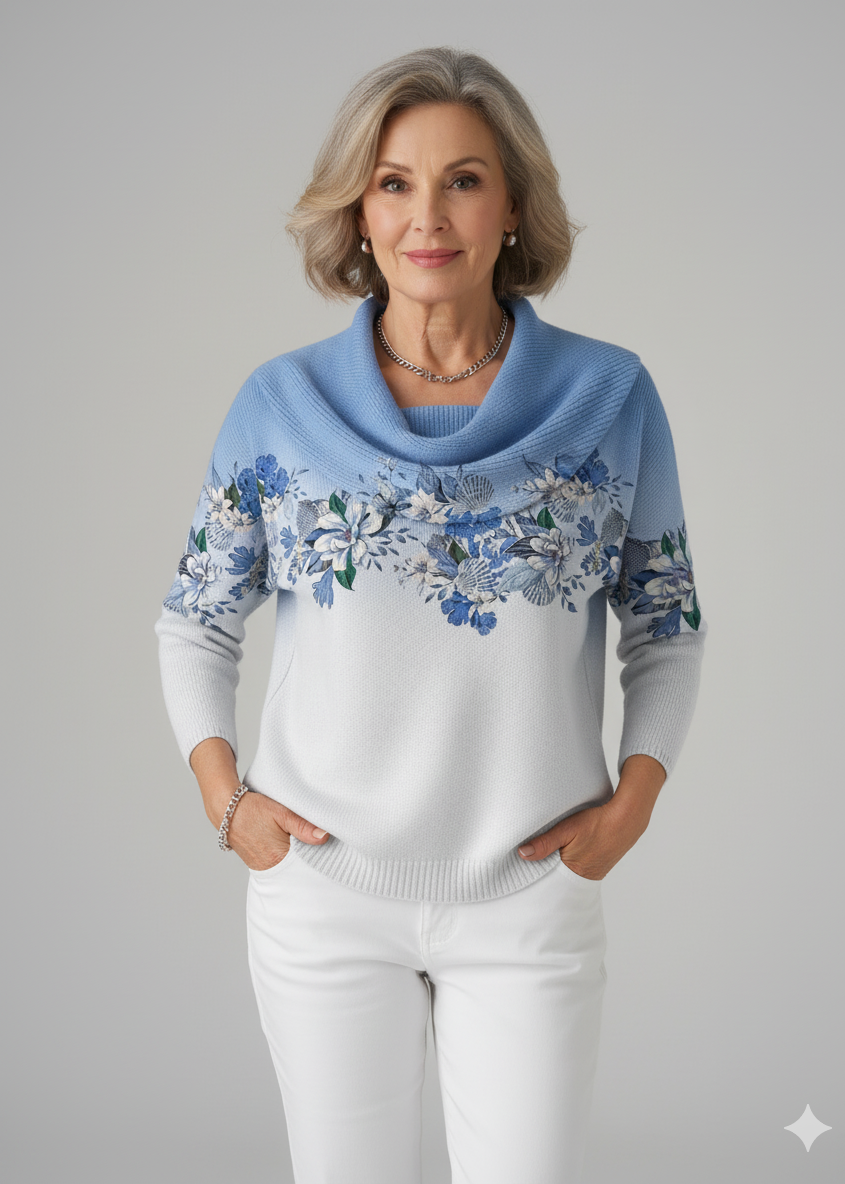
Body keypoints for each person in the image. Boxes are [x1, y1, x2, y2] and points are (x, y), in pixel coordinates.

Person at [155, 45, 708, 1184]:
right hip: (323, 901)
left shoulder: (610, 398)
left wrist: (635, 801)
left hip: (530, 899)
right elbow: (196, 617)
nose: (428, 217)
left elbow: (667, 620)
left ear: (513, 206)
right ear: (359, 212)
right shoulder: (280, 404)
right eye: (394, 183)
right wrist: (226, 799)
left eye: (464, 180)